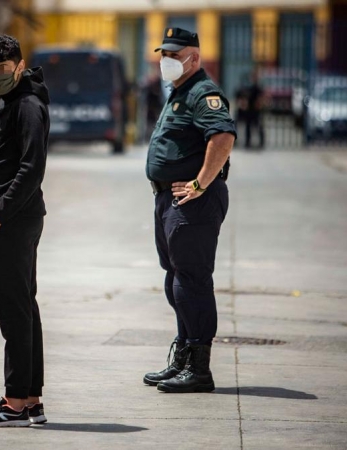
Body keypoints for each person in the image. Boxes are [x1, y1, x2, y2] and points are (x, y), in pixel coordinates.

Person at [142, 28, 236, 394]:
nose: (165, 60)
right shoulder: (179, 92)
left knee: (192, 282)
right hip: (168, 199)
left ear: (193, 58)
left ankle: (199, 369)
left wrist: (200, 183)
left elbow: (223, 137)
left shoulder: (203, 92)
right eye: (163, 53)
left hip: (191, 203)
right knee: (176, 280)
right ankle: (182, 356)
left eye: (173, 54)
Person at [0, 34, 49, 427]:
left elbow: (32, 168)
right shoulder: (14, 99)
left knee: (14, 313)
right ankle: (31, 400)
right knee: (23, 308)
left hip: (13, 220)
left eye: (2, 70)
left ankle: (14, 402)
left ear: (19, 65)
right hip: (15, 217)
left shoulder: (29, 105)